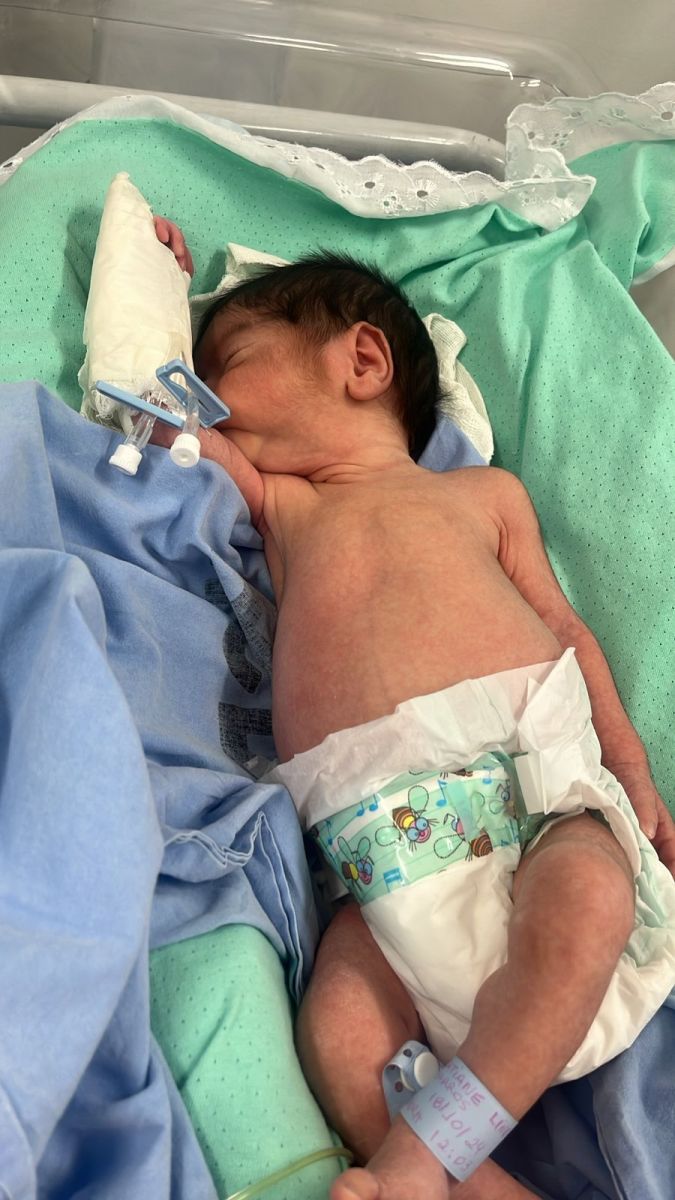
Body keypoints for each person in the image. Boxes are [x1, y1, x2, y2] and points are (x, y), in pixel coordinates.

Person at [153, 218, 675, 1200]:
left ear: (362, 360)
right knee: (338, 1033)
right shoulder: (280, 505)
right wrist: (155, 288)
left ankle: (426, 1154)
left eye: (232, 362)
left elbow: (566, 629)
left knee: (589, 906)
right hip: (375, 863)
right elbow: (165, 418)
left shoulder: (484, 496)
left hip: (534, 800)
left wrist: (631, 765)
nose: (213, 391)